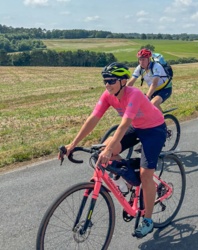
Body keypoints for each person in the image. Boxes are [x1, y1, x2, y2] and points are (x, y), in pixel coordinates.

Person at [59, 62, 167, 238]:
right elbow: (93, 118)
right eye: (105, 81)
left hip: (154, 129)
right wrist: (72, 144)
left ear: (123, 81)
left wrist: (110, 149)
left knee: (146, 174)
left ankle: (147, 220)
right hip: (137, 127)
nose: (107, 84)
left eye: (111, 81)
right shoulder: (108, 95)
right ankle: (126, 182)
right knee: (101, 152)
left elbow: (124, 124)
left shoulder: (135, 94)